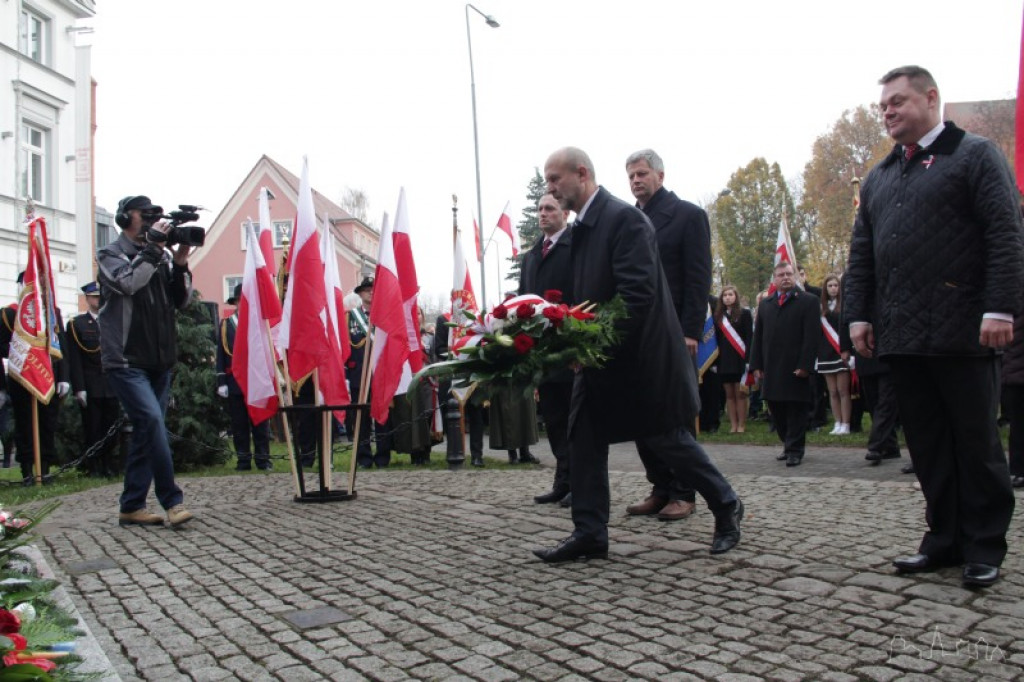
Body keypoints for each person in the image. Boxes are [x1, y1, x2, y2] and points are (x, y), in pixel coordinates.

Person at [845, 66, 1023, 588]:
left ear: (931, 98)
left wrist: (1000, 309)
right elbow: (862, 257)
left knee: (976, 443)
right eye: (883, 106)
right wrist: (858, 314)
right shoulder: (880, 176)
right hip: (901, 335)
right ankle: (943, 540)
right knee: (927, 447)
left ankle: (985, 545)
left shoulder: (974, 155)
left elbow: (1006, 234)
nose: (888, 112)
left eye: (897, 102)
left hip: (964, 330)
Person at [533, 147, 742, 563]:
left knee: (668, 439)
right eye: (547, 181)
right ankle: (589, 532)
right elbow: (583, 299)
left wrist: (589, 341)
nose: (550, 188)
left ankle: (725, 503)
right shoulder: (581, 230)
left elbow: (637, 295)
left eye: (555, 180)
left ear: (582, 174)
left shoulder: (625, 220)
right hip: (599, 359)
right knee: (584, 439)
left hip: (641, 357)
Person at [622, 148, 712, 522]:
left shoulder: (688, 215)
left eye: (642, 173)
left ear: (660, 174)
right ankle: (660, 487)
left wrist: (691, 331)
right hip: (639, 334)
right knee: (642, 415)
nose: (635, 181)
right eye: (630, 176)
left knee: (673, 415)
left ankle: (683, 492)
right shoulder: (629, 219)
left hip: (675, 332)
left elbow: (698, 277)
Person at [97, 195, 194, 527]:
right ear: (125, 219)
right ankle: (172, 500)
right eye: (146, 216)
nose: (152, 223)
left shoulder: (161, 256)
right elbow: (128, 282)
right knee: (153, 423)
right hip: (125, 360)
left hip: (159, 359)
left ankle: (131, 505)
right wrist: (153, 250)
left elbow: (181, 301)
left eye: (156, 217)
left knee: (145, 431)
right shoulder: (110, 254)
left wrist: (179, 263)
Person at [519, 192, 574, 504]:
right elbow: (525, 299)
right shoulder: (531, 256)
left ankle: (580, 480)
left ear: (564, 213)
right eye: (540, 209)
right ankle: (563, 479)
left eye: (550, 208)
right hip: (542, 348)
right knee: (553, 417)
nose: (543, 214)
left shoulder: (575, 246)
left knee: (574, 418)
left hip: (570, 343)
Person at [0, 270, 70, 483]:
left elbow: (61, 345)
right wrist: (21, 349)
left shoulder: (52, 312)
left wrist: (64, 377)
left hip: (47, 376)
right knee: (24, 425)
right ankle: (28, 470)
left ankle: (45, 468)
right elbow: (1, 345)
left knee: (47, 424)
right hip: (21, 375)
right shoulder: (9, 314)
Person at [749, 261, 820, 467]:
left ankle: (795, 450)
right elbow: (758, 337)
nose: (786, 277)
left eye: (789, 274)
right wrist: (757, 365)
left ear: (795, 276)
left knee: (796, 410)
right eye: (781, 274)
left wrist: (806, 365)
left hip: (796, 366)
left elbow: (812, 337)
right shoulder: (766, 304)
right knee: (776, 409)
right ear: (775, 279)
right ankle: (787, 443)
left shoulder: (809, 301)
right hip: (772, 366)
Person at [65, 282, 122, 477]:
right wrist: (79, 388)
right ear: (88, 298)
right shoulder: (77, 324)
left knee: (111, 428)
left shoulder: (113, 321)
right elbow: (74, 359)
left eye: (100, 296)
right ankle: (94, 466)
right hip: (91, 384)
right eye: (94, 296)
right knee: (93, 427)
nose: (98, 299)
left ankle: (108, 463)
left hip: (112, 384)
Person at [216, 284, 272, 471]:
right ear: (236, 302)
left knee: (260, 422)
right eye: (241, 301)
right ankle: (243, 460)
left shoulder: (260, 323)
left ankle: (263, 459)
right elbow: (221, 354)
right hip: (235, 380)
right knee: (239, 424)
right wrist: (221, 381)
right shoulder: (226, 324)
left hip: (257, 380)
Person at [713, 285, 753, 434]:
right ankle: (733, 425)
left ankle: (742, 424)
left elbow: (750, 338)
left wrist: (749, 360)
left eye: (730, 294)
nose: (728, 297)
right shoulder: (718, 317)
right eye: (725, 295)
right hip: (724, 360)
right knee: (729, 395)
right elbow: (715, 340)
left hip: (740, 359)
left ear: (735, 296)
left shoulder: (745, 314)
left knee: (740, 394)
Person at [816, 274, 852, 435]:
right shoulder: (821, 307)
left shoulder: (845, 305)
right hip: (825, 352)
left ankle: (846, 423)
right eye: (829, 286)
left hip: (841, 350)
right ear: (825, 288)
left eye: (835, 285)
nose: (833, 288)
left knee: (843, 390)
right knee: (832, 391)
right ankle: (837, 422)